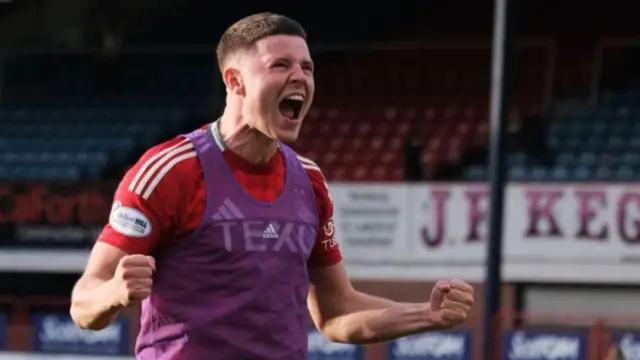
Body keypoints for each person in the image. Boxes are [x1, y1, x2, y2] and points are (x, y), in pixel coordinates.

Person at [69, 12, 475, 359]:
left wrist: (426, 315)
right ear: (235, 81)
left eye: (307, 67)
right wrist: (114, 294)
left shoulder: (309, 180)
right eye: (281, 65)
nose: (299, 76)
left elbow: (336, 312)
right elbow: (83, 303)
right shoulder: (170, 170)